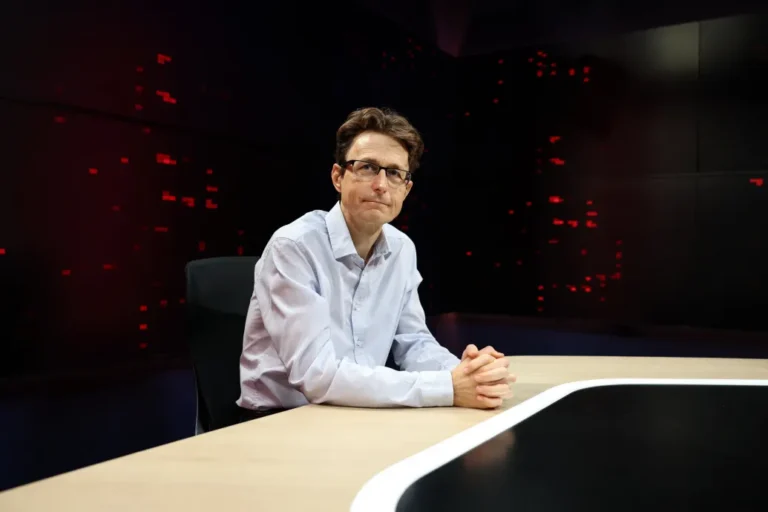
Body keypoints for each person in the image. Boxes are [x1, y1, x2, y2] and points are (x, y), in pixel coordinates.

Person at [237, 107, 515, 420]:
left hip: (357, 412)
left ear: (406, 189)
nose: (381, 184)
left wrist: (467, 375)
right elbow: (317, 376)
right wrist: (448, 387)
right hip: (279, 419)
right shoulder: (294, 246)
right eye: (367, 167)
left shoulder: (402, 249)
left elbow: (414, 343)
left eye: (394, 173)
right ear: (338, 177)